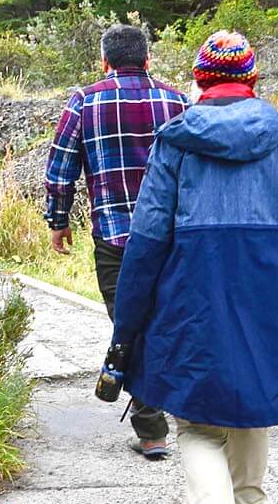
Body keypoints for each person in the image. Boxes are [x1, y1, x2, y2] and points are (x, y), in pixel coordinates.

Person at [105, 30, 278, 504]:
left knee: (198, 420)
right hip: (271, 290)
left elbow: (150, 235)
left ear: (201, 81)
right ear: (253, 80)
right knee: (254, 397)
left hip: (192, 292)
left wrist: (127, 324)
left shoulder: (176, 140)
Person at [44, 23, 188, 459]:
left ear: (104, 61)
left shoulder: (84, 101)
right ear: (148, 60)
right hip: (173, 236)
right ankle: (186, 410)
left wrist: (58, 220)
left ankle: (151, 429)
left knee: (129, 325)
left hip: (116, 236)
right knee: (172, 319)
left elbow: (61, 167)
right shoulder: (178, 100)